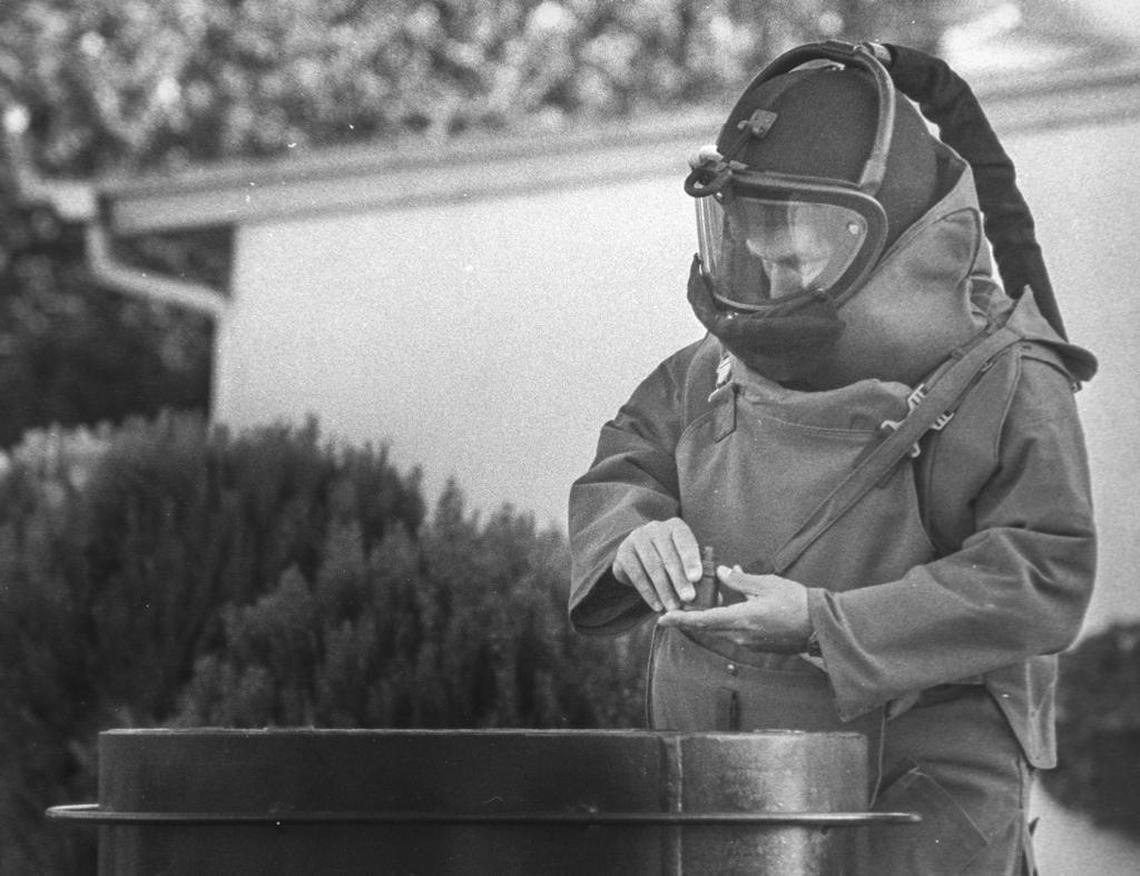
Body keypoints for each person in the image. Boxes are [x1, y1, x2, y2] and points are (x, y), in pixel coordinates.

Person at [568, 41, 1096, 874]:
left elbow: (1044, 573)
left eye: (796, 262)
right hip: (720, 794)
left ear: (886, 241)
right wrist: (632, 531)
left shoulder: (1011, 378)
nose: (772, 287)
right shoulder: (718, 363)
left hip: (912, 804)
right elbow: (631, 453)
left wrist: (823, 625)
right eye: (759, 258)